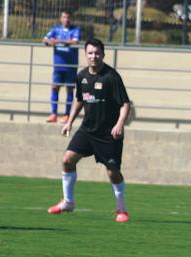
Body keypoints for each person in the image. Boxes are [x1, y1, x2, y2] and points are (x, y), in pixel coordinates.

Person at [47, 38, 131, 223]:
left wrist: (120, 123)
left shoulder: (111, 77)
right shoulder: (82, 75)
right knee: (67, 160)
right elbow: (79, 99)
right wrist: (69, 121)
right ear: (85, 55)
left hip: (108, 133)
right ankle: (68, 202)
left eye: (97, 53)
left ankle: (122, 209)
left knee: (112, 171)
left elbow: (125, 104)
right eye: (90, 53)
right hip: (87, 130)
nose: (94, 56)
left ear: (103, 54)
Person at [43, 10, 80, 123]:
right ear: (61, 18)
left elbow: (75, 42)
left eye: (68, 17)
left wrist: (57, 41)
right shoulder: (56, 29)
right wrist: (49, 42)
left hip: (70, 66)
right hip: (58, 66)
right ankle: (54, 114)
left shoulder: (75, 30)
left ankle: (67, 115)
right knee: (55, 87)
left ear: (71, 19)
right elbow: (45, 39)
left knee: (69, 90)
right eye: (64, 17)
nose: (66, 20)